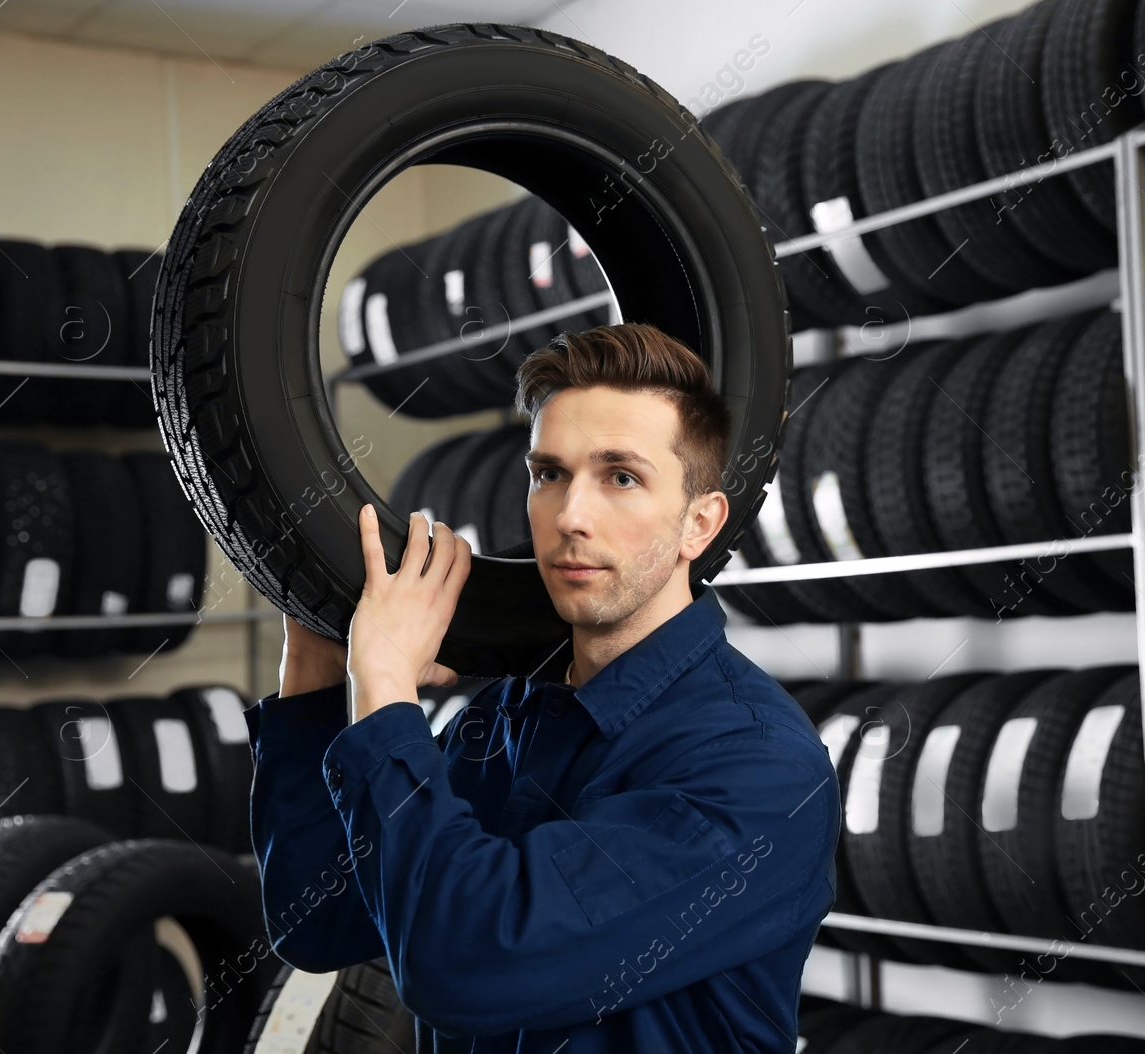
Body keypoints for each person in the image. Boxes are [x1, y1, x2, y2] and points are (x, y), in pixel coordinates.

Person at [245, 322, 838, 1052]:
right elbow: (318, 921)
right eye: (549, 473)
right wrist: (313, 660)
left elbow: (471, 965)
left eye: (621, 477)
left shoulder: (756, 768)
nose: (570, 517)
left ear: (699, 523)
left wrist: (388, 686)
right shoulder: (505, 717)